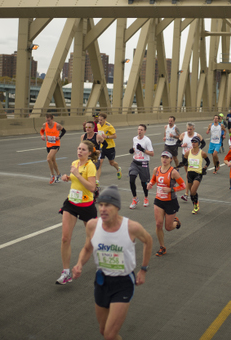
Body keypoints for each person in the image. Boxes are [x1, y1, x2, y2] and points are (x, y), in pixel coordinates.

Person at [72, 185, 152, 340]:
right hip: (102, 282)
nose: (102, 209)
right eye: (100, 205)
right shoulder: (92, 225)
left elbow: (148, 241)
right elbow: (88, 248)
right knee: (104, 331)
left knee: (109, 335)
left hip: (123, 283)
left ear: (117, 207)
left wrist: (143, 269)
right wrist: (79, 264)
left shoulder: (131, 227)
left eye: (107, 205)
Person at [56, 140, 99, 285]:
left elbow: (92, 187)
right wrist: (68, 178)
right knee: (65, 238)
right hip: (71, 203)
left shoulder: (90, 166)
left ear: (89, 152)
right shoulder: (74, 163)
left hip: (87, 205)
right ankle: (66, 271)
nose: (79, 151)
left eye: (83, 149)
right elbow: (75, 180)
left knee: (92, 240)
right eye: (78, 148)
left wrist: (77, 175)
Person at [147, 151, 186, 256]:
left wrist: (171, 190)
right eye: (163, 157)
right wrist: (150, 184)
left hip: (170, 202)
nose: (164, 159)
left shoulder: (173, 172)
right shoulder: (157, 169)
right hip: (159, 200)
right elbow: (154, 179)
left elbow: (183, 186)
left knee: (168, 228)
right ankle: (162, 247)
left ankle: (176, 222)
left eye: (167, 158)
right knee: (158, 224)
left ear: (171, 159)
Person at [128, 125, 154, 209]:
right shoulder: (134, 138)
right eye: (138, 129)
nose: (139, 131)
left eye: (141, 130)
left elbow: (152, 153)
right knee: (131, 180)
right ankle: (135, 198)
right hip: (135, 162)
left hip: (144, 163)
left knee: (144, 184)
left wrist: (143, 150)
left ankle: (146, 197)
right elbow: (135, 149)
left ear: (145, 131)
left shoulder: (147, 140)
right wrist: (132, 150)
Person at [182, 136, 210, 214]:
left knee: (193, 191)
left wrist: (205, 168)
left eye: (195, 142)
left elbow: (208, 162)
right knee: (192, 193)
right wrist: (185, 164)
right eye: (192, 142)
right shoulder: (188, 152)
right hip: (190, 174)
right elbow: (184, 161)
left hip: (198, 174)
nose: (193, 143)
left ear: (198, 143)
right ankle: (195, 204)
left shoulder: (202, 153)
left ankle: (195, 203)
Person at [177, 122, 202, 200]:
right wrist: (181, 145)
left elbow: (203, 143)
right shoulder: (183, 135)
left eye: (190, 129)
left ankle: (188, 192)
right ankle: (187, 193)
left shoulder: (197, 135)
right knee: (188, 174)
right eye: (188, 129)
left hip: (193, 157)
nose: (189, 131)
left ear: (193, 129)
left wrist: (197, 149)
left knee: (190, 175)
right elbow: (177, 143)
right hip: (185, 156)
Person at [40, 114, 66, 184]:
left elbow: (64, 131)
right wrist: (42, 135)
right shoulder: (44, 125)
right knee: (53, 161)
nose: (47, 122)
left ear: (52, 119)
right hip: (48, 145)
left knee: (48, 159)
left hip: (56, 144)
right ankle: (59, 174)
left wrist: (59, 137)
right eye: (46, 120)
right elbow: (42, 131)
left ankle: (52, 175)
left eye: (49, 120)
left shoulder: (57, 125)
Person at [97, 113, 122, 182]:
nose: (100, 121)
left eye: (101, 120)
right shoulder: (97, 125)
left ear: (105, 119)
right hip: (101, 147)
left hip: (109, 147)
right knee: (100, 162)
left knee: (111, 163)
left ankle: (118, 169)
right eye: (99, 119)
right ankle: (97, 180)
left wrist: (107, 136)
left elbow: (115, 136)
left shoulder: (109, 126)